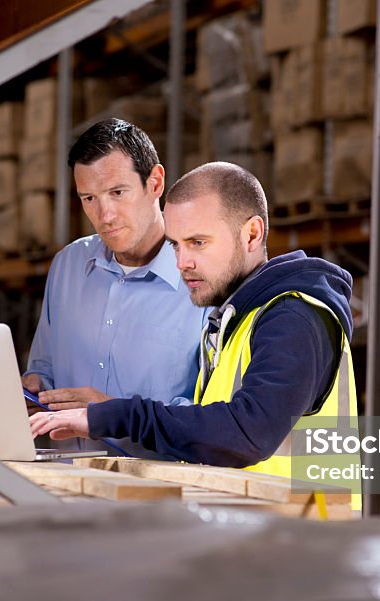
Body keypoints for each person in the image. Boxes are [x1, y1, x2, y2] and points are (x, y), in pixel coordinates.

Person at [30, 162, 356, 474]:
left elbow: (248, 434)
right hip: (264, 522)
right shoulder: (236, 321)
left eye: (198, 243)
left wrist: (113, 415)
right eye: (175, 245)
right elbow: (210, 433)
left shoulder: (293, 317)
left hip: (308, 524)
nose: (182, 262)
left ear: (252, 235)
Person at [23, 119, 206, 430]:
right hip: (64, 472)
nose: (105, 216)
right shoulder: (67, 266)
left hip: (158, 477)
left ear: (156, 183)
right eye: (89, 198)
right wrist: (36, 386)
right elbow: (44, 365)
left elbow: (214, 416)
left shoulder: (202, 280)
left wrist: (111, 413)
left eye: (118, 192)